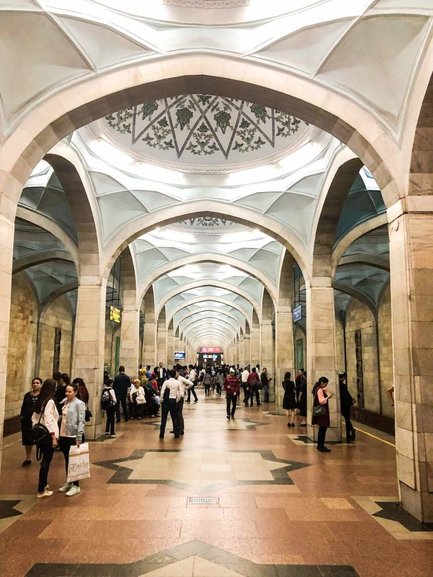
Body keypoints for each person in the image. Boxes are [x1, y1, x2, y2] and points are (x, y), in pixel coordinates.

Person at [31, 379, 59, 498]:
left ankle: (44, 484)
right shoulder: (50, 401)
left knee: (44, 460)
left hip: (41, 435)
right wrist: (53, 436)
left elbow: (34, 417)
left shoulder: (41, 400)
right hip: (48, 435)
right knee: (46, 462)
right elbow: (48, 420)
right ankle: (41, 489)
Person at [58, 382, 86, 496]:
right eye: (66, 391)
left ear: (75, 392)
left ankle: (76, 485)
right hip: (64, 434)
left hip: (73, 435)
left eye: (70, 391)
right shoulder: (65, 402)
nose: (67, 393)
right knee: (67, 460)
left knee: (74, 461)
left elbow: (81, 420)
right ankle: (69, 481)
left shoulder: (79, 404)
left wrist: (79, 436)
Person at [20, 377, 42, 466]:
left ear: (41, 384)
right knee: (27, 439)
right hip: (27, 421)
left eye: (37, 383)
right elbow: (23, 406)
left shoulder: (42, 396)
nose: (35, 384)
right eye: (34, 383)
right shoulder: (27, 395)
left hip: (38, 422)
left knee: (40, 439)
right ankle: (28, 458)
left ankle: (41, 456)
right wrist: (21, 416)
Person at [312, 376, 334, 452]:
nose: (326, 386)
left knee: (322, 429)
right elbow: (321, 401)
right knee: (323, 429)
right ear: (322, 382)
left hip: (321, 413)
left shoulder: (317, 389)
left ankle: (320, 445)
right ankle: (321, 446)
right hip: (322, 413)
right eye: (325, 384)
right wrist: (328, 396)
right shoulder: (320, 390)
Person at [159, 369, 182, 439]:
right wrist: (176, 400)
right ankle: (176, 434)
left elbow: (162, 391)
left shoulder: (166, 382)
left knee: (164, 418)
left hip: (166, 401)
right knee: (174, 417)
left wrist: (161, 399)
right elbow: (181, 393)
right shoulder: (178, 383)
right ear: (175, 375)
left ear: (169, 375)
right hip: (173, 400)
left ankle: (162, 434)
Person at [339, 372, 355, 443]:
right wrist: (351, 401)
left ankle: (349, 432)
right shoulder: (342, 385)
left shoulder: (339, 385)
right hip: (345, 405)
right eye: (344, 378)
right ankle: (350, 432)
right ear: (342, 377)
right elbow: (346, 395)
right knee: (347, 418)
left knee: (346, 418)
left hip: (343, 404)